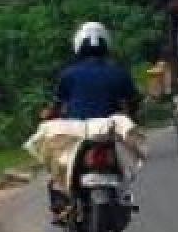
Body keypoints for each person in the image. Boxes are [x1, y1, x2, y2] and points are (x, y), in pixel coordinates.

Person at [45, 22, 141, 220]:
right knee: (127, 164)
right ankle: (123, 198)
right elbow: (133, 101)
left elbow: (55, 106)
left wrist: (48, 115)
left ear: (78, 45)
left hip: (76, 133)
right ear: (106, 44)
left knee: (57, 166)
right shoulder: (119, 72)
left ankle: (62, 204)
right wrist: (131, 116)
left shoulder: (68, 74)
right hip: (108, 132)